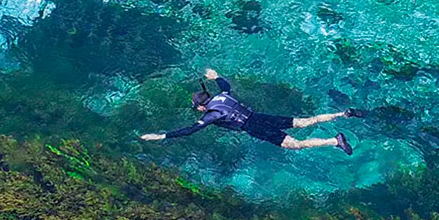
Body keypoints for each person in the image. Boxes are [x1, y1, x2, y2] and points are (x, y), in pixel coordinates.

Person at [139, 69, 364, 154]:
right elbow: (226, 86)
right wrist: (216, 76)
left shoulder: (211, 114)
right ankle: (343, 114)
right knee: (304, 121)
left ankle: (335, 141)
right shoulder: (222, 96)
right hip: (259, 116)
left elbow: (189, 131)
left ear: (200, 106)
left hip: (253, 126)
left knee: (296, 145)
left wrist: (162, 136)